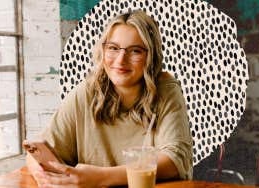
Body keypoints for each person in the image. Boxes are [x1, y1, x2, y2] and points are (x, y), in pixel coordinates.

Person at [26, 10, 192, 187]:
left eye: (135, 51)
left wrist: (99, 177)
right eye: (113, 48)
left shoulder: (166, 90)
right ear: (102, 50)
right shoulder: (86, 92)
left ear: (151, 57)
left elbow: (175, 161)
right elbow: (37, 153)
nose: (121, 60)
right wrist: (44, 176)